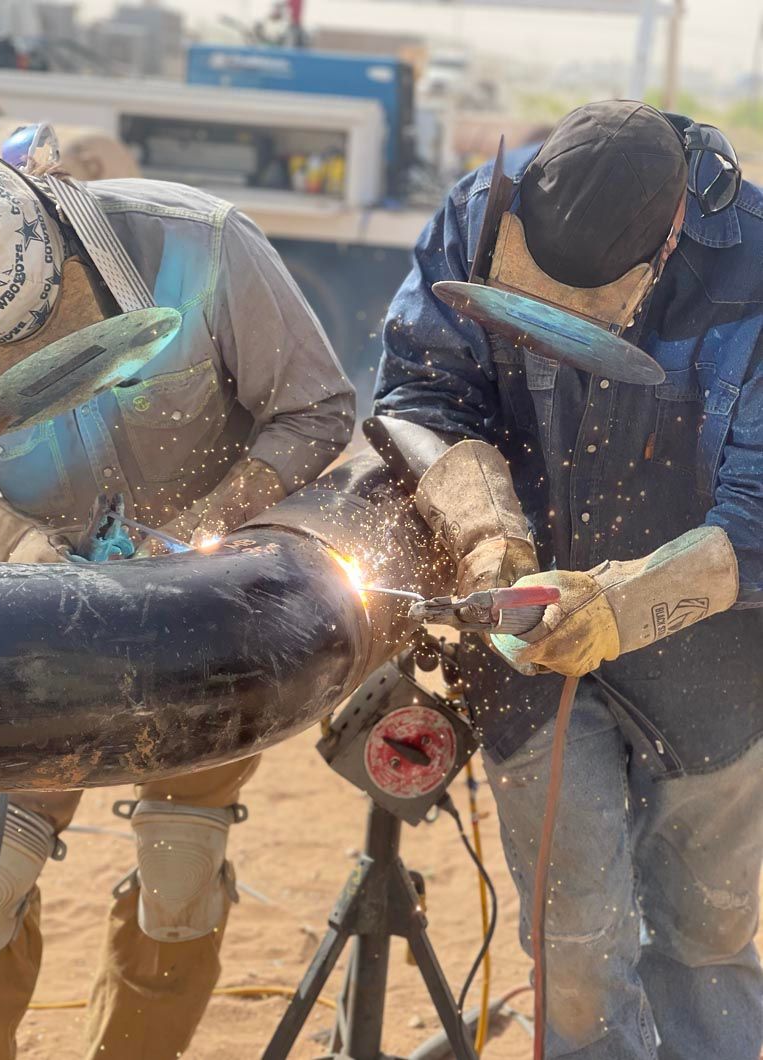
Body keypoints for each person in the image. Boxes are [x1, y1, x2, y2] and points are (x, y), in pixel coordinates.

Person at [375, 100, 762, 1059]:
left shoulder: (755, 271)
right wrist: (480, 524)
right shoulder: (480, 214)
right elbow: (420, 390)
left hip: (719, 651)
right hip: (524, 641)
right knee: (577, 946)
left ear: (663, 247)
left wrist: (629, 599)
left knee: (705, 933)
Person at [0, 148, 354, 1058]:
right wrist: (9, 542)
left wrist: (213, 519)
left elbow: (318, 410)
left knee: (178, 879)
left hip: (200, 626)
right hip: (36, 635)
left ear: (74, 259)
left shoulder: (205, 250)